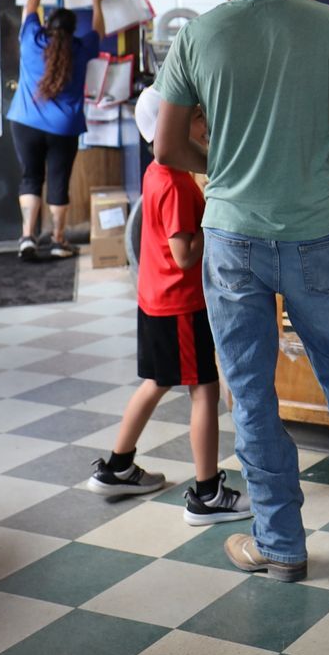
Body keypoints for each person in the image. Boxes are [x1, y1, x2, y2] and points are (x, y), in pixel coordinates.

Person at [152, 0, 329, 582]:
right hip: (315, 230)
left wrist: (223, 168)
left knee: (251, 391)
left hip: (232, 235)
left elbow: (167, 147)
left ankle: (280, 544)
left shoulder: (199, 34)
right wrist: (319, 150)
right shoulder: (327, 23)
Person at [86, 96, 250, 526]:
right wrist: (214, 214)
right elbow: (183, 254)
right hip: (180, 304)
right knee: (204, 391)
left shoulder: (157, 172)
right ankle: (207, 493)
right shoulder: (177, 183)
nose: (204, 122)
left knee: (156, 382)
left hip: (155, 299)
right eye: (197, 116)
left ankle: (117, 466)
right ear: (168, 129)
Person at [11, 0, 104, 261]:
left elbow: (29, 6)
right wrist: (97, 3)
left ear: (48, 26)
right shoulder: (81, 49)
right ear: (74, 31)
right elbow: (99, 31)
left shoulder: (32, 40)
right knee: (59, 181)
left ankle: (27, 236)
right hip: (64, 128)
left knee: (30, 177)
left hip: (25, 123)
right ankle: (58, 240)